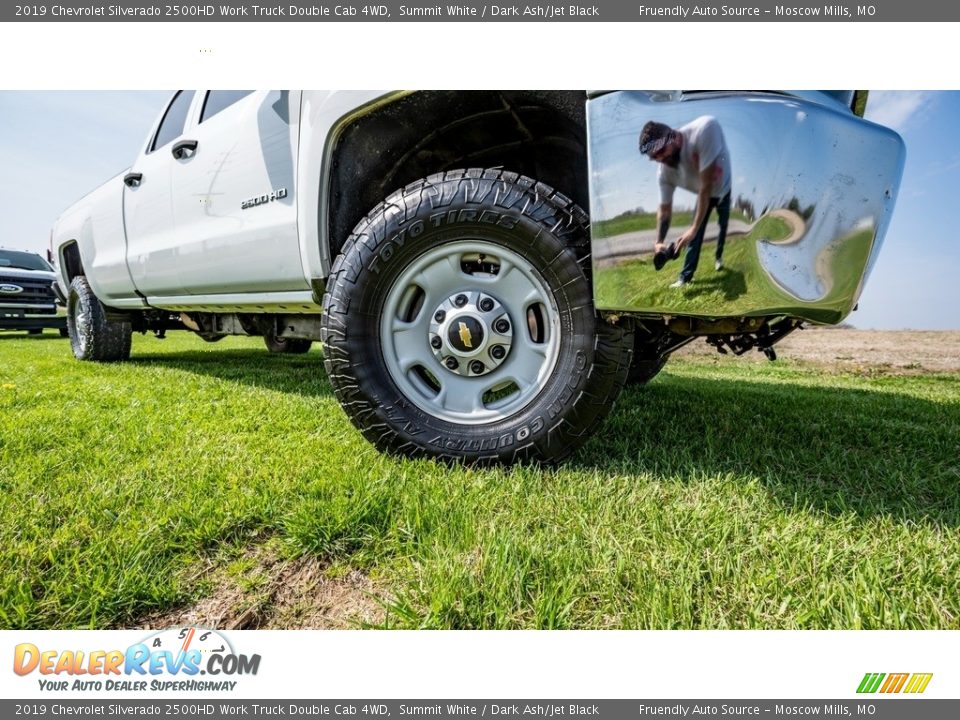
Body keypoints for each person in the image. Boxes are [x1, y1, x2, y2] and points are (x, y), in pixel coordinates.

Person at [638, 117, 732, 288]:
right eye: (654, 157)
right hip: (705, 196)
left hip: (722, 189)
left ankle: (718, 257)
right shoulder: (663, 173)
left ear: (672, 136)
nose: (660, 159)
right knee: (693, 238)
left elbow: (706, 186)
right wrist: (659, 242)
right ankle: (685, 278)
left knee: (723, 225)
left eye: (661, 151)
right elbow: (664, 210)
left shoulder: (703, 130)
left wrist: (694, 229)